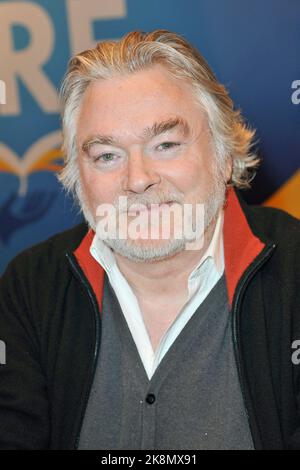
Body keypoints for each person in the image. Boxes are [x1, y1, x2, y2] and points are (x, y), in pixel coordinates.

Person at [0, 30, 299, 451]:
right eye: (107, 155)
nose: (138, 179)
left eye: (165, 144)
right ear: (77, 177)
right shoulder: (30, 287)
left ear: (224, 152)